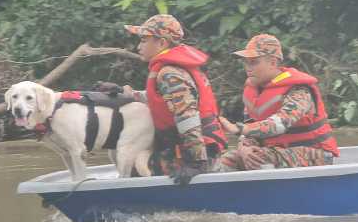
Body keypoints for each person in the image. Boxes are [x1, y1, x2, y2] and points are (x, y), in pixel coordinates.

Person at [105, 14, 227, 184]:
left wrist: (196, 162)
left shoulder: (170, 73)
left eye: (144, 40)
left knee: (132, 163)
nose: (138, 46)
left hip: (197, 155)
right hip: (195, 149)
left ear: (162, 43)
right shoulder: (170, 71)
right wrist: (125, 94)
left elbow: (187, 116)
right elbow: (161, 99)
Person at [214, 34, 339, 171]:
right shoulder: (254, 91)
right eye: (246, 62)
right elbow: (250, 126)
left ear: (273, 62)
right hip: (277, 151)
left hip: (316, 154)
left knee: (260, 158)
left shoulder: (299, 90)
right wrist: (244, 148)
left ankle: (269, 191)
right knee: (228, 160)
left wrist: (240, 129)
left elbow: (281, 123)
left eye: (254, 62)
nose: (248, 68)